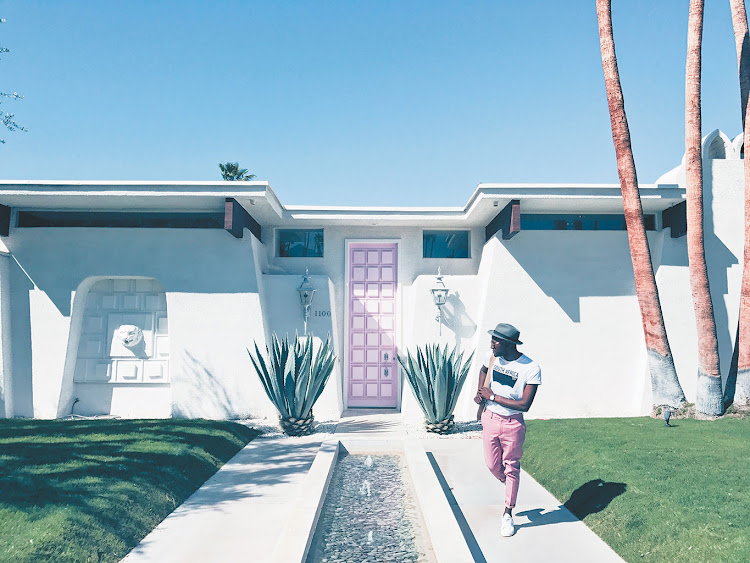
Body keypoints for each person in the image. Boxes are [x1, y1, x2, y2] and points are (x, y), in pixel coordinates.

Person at [474, 322, 541, 537]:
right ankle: (510, 482)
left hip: (513, 423)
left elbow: (525, 405)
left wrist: (492, 396)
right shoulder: (491, 356)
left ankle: (507, 513)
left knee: (512, 465)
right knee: (493, 465)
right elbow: (483, 370)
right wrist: (480, 391)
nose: (492, 343)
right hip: (490, 419)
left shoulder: (530, 368)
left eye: (496, 340)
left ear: (508, 344)